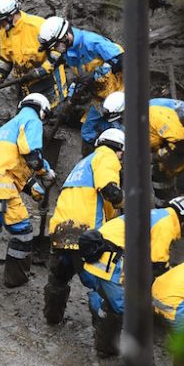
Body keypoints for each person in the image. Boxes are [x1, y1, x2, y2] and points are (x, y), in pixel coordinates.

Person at [77, 196, 184, 356]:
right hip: (111, 261)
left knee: (113, 305)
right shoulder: (168, 223)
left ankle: (105, 347)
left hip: (99, 255)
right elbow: (157, 265)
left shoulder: (156, 215)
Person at [43, 128, 125, 325]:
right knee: (98, 283)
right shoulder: (107, 157)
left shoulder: (82, 164)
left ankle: (52, 318)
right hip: (86, 232)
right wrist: (123, 201)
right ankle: (104, 335)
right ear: (119, 149)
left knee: (59, 278)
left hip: (61, 229)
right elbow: (110, 190)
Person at [0, 93, 55, 287]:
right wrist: (45, 172)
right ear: (43, 112)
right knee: (23, 232)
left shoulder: (7, 127)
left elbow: (10, 166)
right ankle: (15, 280)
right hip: (2, 189)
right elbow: (31, 155)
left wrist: (32, 188)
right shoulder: (33, 121)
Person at [99, 92, 184, 201]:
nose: (119, 124)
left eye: (120, 120)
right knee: (159, 174)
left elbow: (180, 143)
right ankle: (164, 209)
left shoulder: (155, 114)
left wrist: (153, 157)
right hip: (173, 141)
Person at [38, 16, 124, 129]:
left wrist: (95, 74)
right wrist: (67, 101)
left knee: (116, 129)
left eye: (56, 45)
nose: (56, 49)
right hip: (99, 97)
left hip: (120, 94)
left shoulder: (92, 42)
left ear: (65, 37)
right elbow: (80, 78)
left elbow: (122, 59)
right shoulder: (68, 52)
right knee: (87, 130)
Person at [0, 0, 68, 108]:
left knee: (53, 118)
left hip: (49, 83)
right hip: (25, 86)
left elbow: (58, 50)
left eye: (0, 21)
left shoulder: (37, 25)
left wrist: (41, 70)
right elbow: (6, 60)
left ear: (10, 16)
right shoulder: (4, 32)